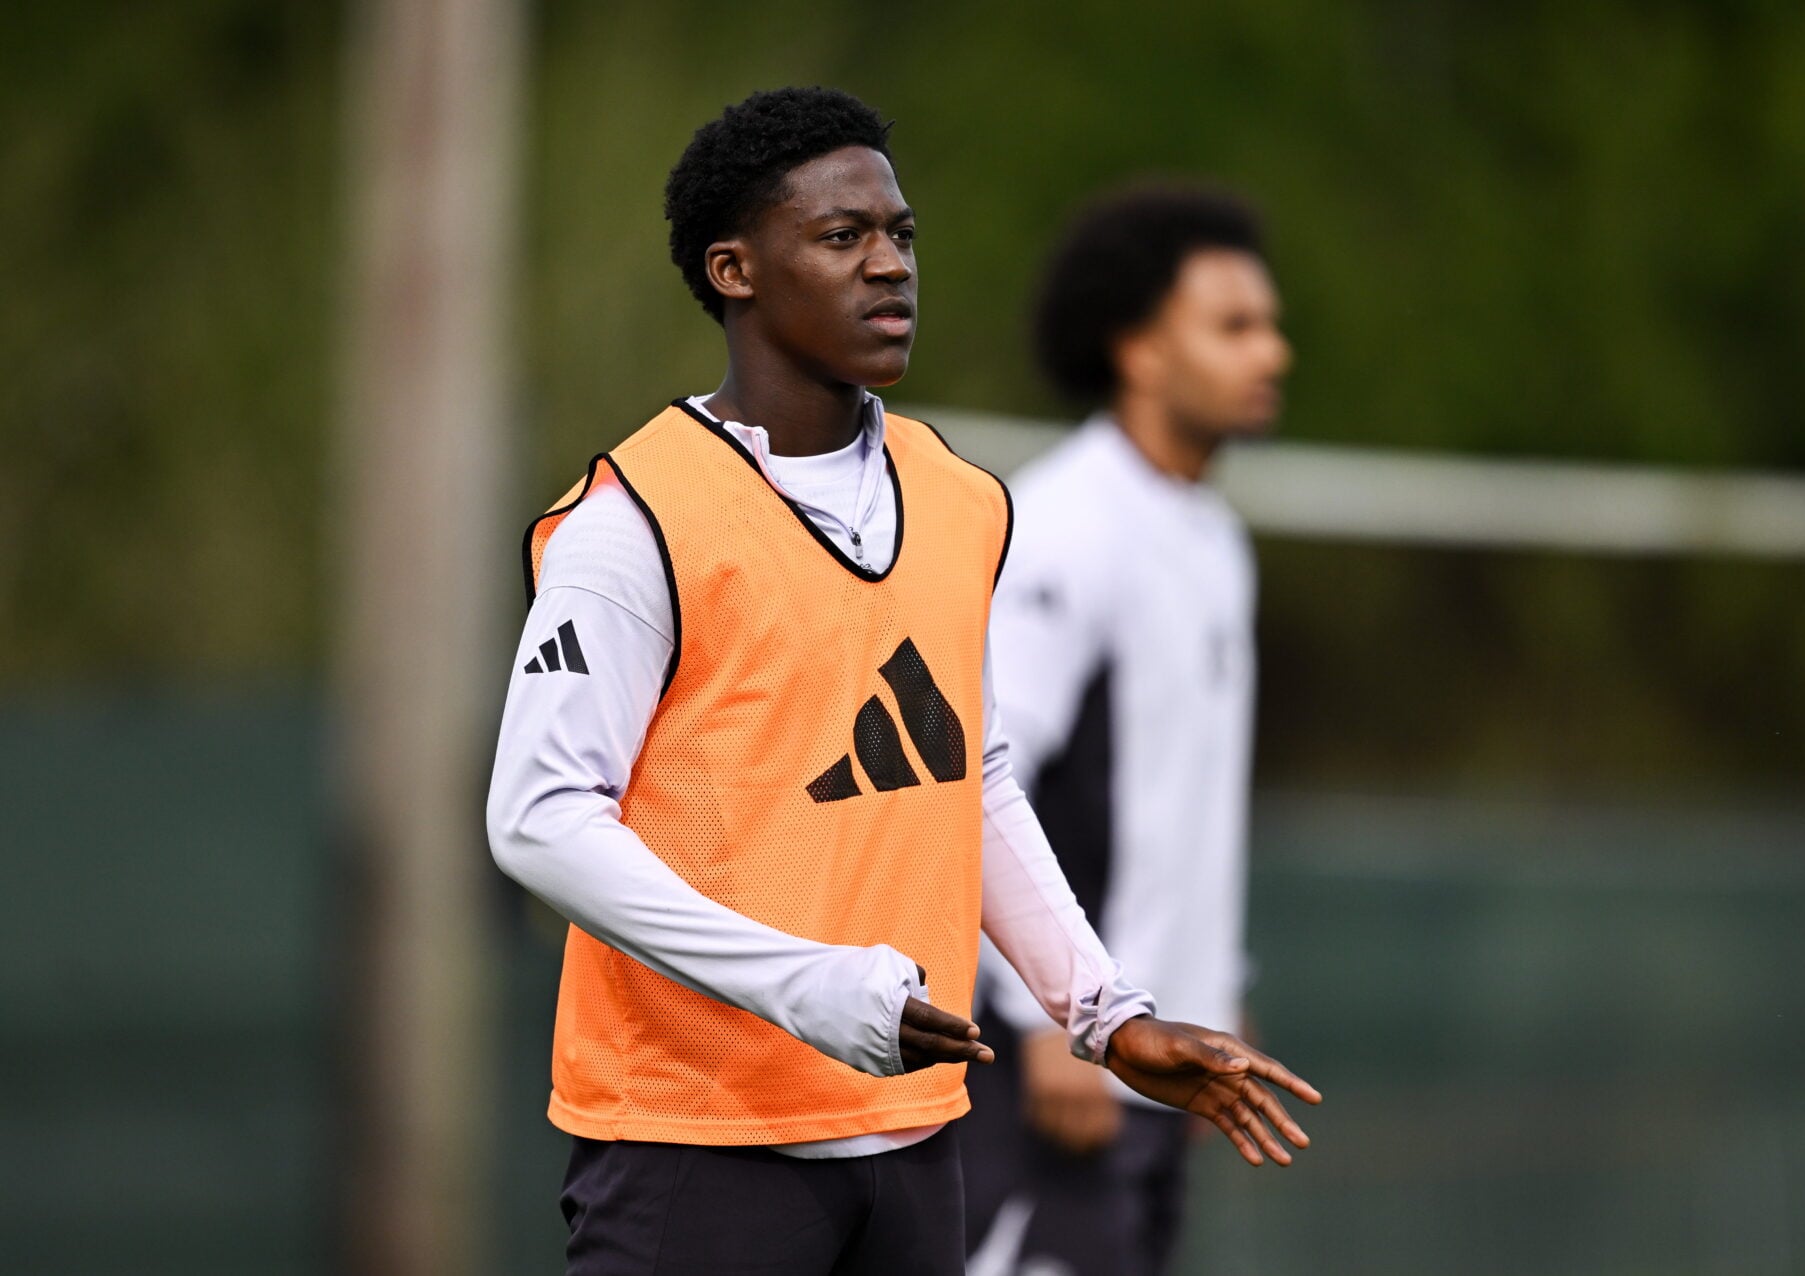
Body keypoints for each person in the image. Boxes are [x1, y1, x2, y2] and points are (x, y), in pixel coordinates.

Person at [486, 88, 1318, 1275]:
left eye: (901, 235)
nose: (889, 265)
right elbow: (540, 818)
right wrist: (807, 986)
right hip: (695, 1144)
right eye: (843, 236)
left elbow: (968, 771)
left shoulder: (959, 498)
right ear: (733, 269)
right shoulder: (636, 521)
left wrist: (1104, 1012)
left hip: (916, 1141)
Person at [958, 186, 1294, 1276]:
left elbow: (1182, 802)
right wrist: (1039, 1017)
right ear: (1139, 350)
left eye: (1269, 324)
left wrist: (1213, 989)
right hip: (1055, 1068)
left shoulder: (1214, 538)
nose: (1272, 352)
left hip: (1156, 1065)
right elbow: (973, 778)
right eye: (1233, 325)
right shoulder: (1062, 525)